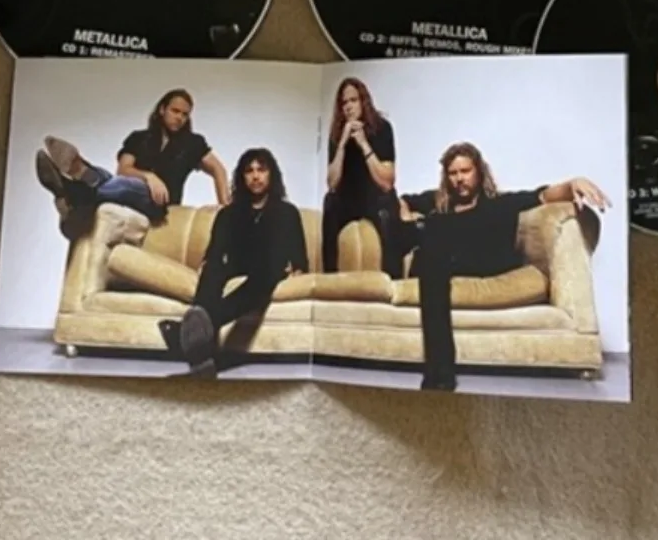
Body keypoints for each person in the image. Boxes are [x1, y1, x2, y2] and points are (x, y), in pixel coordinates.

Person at [398, 141, 610, 392]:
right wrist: (405, 215)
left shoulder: (499, 204)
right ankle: (439, 374)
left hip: (483, 261)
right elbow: (401, 200)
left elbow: (542, 195)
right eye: (453, 173)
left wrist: (573, 183)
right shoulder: (437, 202)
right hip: (442, 263)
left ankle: (441, 375)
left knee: (433, 238)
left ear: (479, 172)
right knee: (431, 244)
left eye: (465, 171)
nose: (459, 179)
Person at [158, 147, 309, 376]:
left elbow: (299, 259)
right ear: (242, 177)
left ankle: (193, 330)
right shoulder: (228, 214)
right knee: (213, 268)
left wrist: (297, 271)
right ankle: (200, 344)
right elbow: (214, 252)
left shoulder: (287, 212)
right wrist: (209, 266)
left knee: (267, 274)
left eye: (261, 170)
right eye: (249, 171)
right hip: (238, 265)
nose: (255, 176)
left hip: (269, 269)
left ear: (271, 175)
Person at [34, 88, 230, 230]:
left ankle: (74, 181)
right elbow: (124, 170)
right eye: (175, 111)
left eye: (185, 115)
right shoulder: (138, 138)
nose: (180, 118)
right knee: (111, 179)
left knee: (121, 183)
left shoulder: (192, 143)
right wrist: (149, 177)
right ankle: (75, 183)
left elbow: (218, 170)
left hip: (160, 204)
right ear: (162, 109)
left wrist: (226, 209)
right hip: (129, 191)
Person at [322, 77, 401, 278]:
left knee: (388, 205)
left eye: (353, 100)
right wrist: (342, 144)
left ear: (363, 101)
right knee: (329, 202)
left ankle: (394, 280)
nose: (348, 107)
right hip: (348, 198)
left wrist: (364, 144)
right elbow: (332, 183)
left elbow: (387, 182)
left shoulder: (382, 128)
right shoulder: (337, 133)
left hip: (375, 197)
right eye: (344, 103)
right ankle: (329, 279)